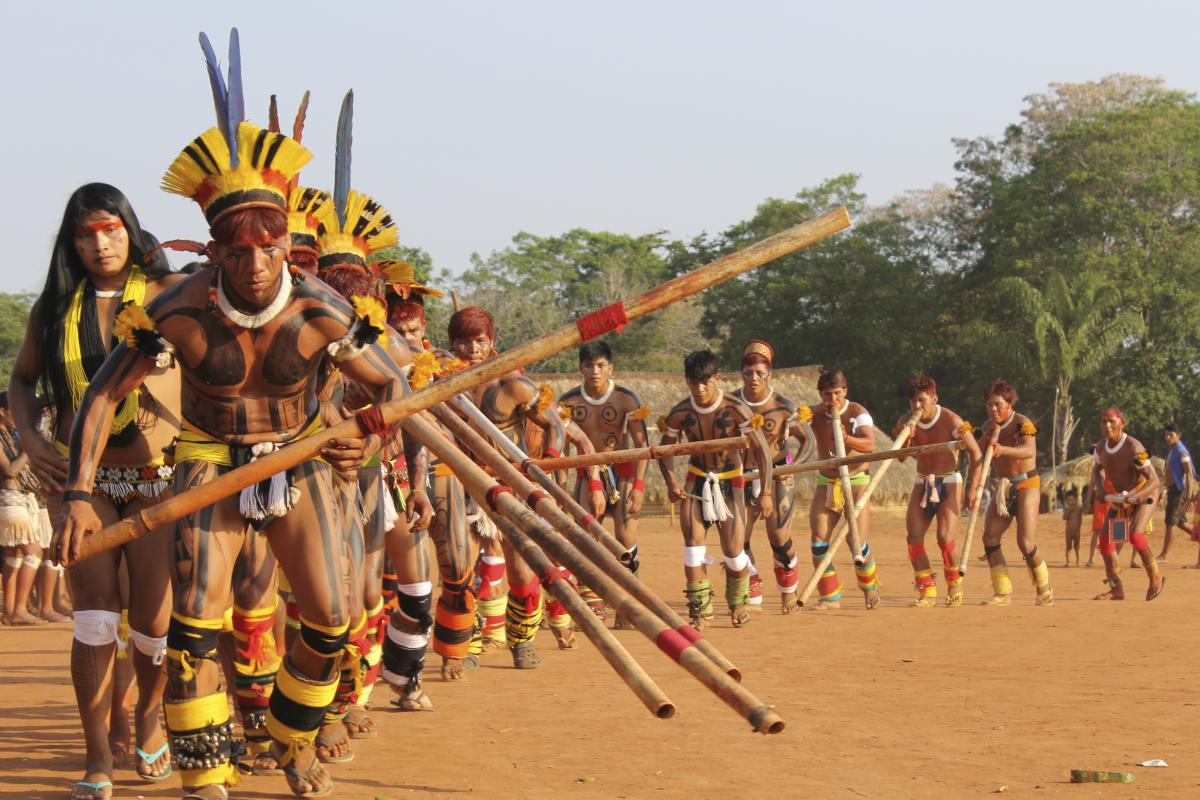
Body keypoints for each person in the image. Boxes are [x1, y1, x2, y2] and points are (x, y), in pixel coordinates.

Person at [58, 33, 415, 798]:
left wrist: (360, 436)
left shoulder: (322, 309)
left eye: (270, 243)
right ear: (215, 247)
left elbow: (389, 391)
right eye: (237, 246)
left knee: (328, 617)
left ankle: (291, 735)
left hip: (297, 455)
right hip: (207, 460)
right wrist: (80, 491)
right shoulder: (178, 309)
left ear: (288, 240)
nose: (255, 263)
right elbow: (103, 393)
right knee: (193, 623)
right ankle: (204, 778)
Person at [8, 183, 180, 798]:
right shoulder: (55, 309)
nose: (100, 243)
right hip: (86, 487)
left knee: (156, 627)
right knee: (95, 620)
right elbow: (23, 382)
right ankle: (98, 756)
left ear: (129, 229)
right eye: (86, 234)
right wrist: (30, 437)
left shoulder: (169, 295)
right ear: (71, 242)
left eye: (110, 229)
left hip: (160, 480)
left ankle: (150, 722)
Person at [442, 306, 601, 669]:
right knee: (459, 567)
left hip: (507, 485)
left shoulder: (511, 382)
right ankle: (469, 642)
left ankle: (522, 638)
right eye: (463, 342)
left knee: (521, 570)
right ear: (451, 344)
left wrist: (548, 457)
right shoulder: (437, 380)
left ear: (492, 342)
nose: (472, 350)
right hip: (461, 483)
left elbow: (556, 425)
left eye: (479, 342)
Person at [657, 350, 774, 628]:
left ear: (717, 379)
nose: (699, 389)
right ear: (686, 381)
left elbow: (763, 452)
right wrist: (671, 481)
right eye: (693, 383)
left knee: (734, 553)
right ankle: (699, 611)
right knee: (693, 550)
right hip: (695, 481)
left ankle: (738, 602)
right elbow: (664, 451)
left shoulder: (735, 408)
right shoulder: (680, 414)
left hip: (730, 481)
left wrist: (766, 492)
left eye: (705, 382)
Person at [558, 339, 651, 626]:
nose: (595, 371)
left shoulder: (627, 400)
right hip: (587, 474)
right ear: (581, 368)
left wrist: (638, 486)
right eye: (589, 366)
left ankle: (628, 606)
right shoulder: (569, 402)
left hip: (622, 472)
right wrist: (560, 491)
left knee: (624, 540)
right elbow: (560, 451)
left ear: (610, 368)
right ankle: (594, 603)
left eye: (600, 366)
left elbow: (642, 446)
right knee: (588, 539)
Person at [730, 339, 809, 613]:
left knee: (778, 534)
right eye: (748, 373)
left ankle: (788, 589)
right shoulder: (729, 403)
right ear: (741, 374)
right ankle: (752, 584)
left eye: (760, 373)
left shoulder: (783, 406)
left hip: (776, 474)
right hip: (741, 476)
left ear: (769, 374)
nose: (754, 378)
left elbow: (807, 440)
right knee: (739, 538)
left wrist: (792, 469)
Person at [894, 376, 981, 607]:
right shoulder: (905, 421)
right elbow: (901, 457)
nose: (917, 407)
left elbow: (976, 453)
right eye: (913, 402)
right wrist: (907, 438)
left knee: (944, 538)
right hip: (922, 481)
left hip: (949, 481)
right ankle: (927, 591)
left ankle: (954, 583)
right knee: (913, 538)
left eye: (922, 401)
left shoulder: (952, 420)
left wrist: (974, 488)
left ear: (934, 398)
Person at [805, 369, 881, 610]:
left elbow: (870, 444)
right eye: (827, 395)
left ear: (845, 391)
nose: (832, 400)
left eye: (837, 393)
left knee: (855, 541)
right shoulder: (815, 414)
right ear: (821, 395)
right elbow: (792, 429)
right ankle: (830, 596)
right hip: (826, 481)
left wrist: (847, 439)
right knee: (818, 541)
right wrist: (800, 420)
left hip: (856, 479)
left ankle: (869, 588)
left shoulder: (858, 413)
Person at [977, 379, 1053, 606]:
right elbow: (979, 455)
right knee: (989, 537)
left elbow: (1029, 451)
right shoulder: (988, 426)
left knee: (1025, 542)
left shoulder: (1023, 423)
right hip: (1004, 488)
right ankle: (1003, 592)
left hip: (1026, 485)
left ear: (1010, 405)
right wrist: (980, 440)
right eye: (989, 405)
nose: (993, 409)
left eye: (998, 404)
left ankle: (1044, 587)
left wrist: (1002, 449)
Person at [1090, 407, 1166, 601]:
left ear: (1121, 423)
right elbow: (1096, 470)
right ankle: (1116, 587)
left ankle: (1155, 577)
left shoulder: (1135, 447)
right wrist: (1100, 489)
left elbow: (1155, 481)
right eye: (1104, 421)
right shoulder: (1100, 448)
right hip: (1121, 499)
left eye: (1112, 422)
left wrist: (1133, 494)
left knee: (1136, 534)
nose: (1107, 426)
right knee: (1106, 541)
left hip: (1144, 495)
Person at [1158, 424, 1194, 563]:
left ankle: (1163, 556)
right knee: (1181, 523)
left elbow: (1189, 475)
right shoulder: (1173, 450)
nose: (1167, 438)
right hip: (1173, 490)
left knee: (1170, 523)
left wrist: (1189, 497)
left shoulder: (1181, 452)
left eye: (1171, 435)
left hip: (1179, 492)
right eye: (1166, 435)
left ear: (1178, 435)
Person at [1062, 490, 1084, 567]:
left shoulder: (1079, 509)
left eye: (1072, 500)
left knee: (1077, 547)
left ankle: (1078, 561)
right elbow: (1064, 518)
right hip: (1068, 532)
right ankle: (1068, 561)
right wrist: (1068, 511)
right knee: (1068, 547)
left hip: (1077, 532)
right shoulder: (1066, 509)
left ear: (1076, 500)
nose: (1070, 502)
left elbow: (1086, 511)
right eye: (1068, 500)